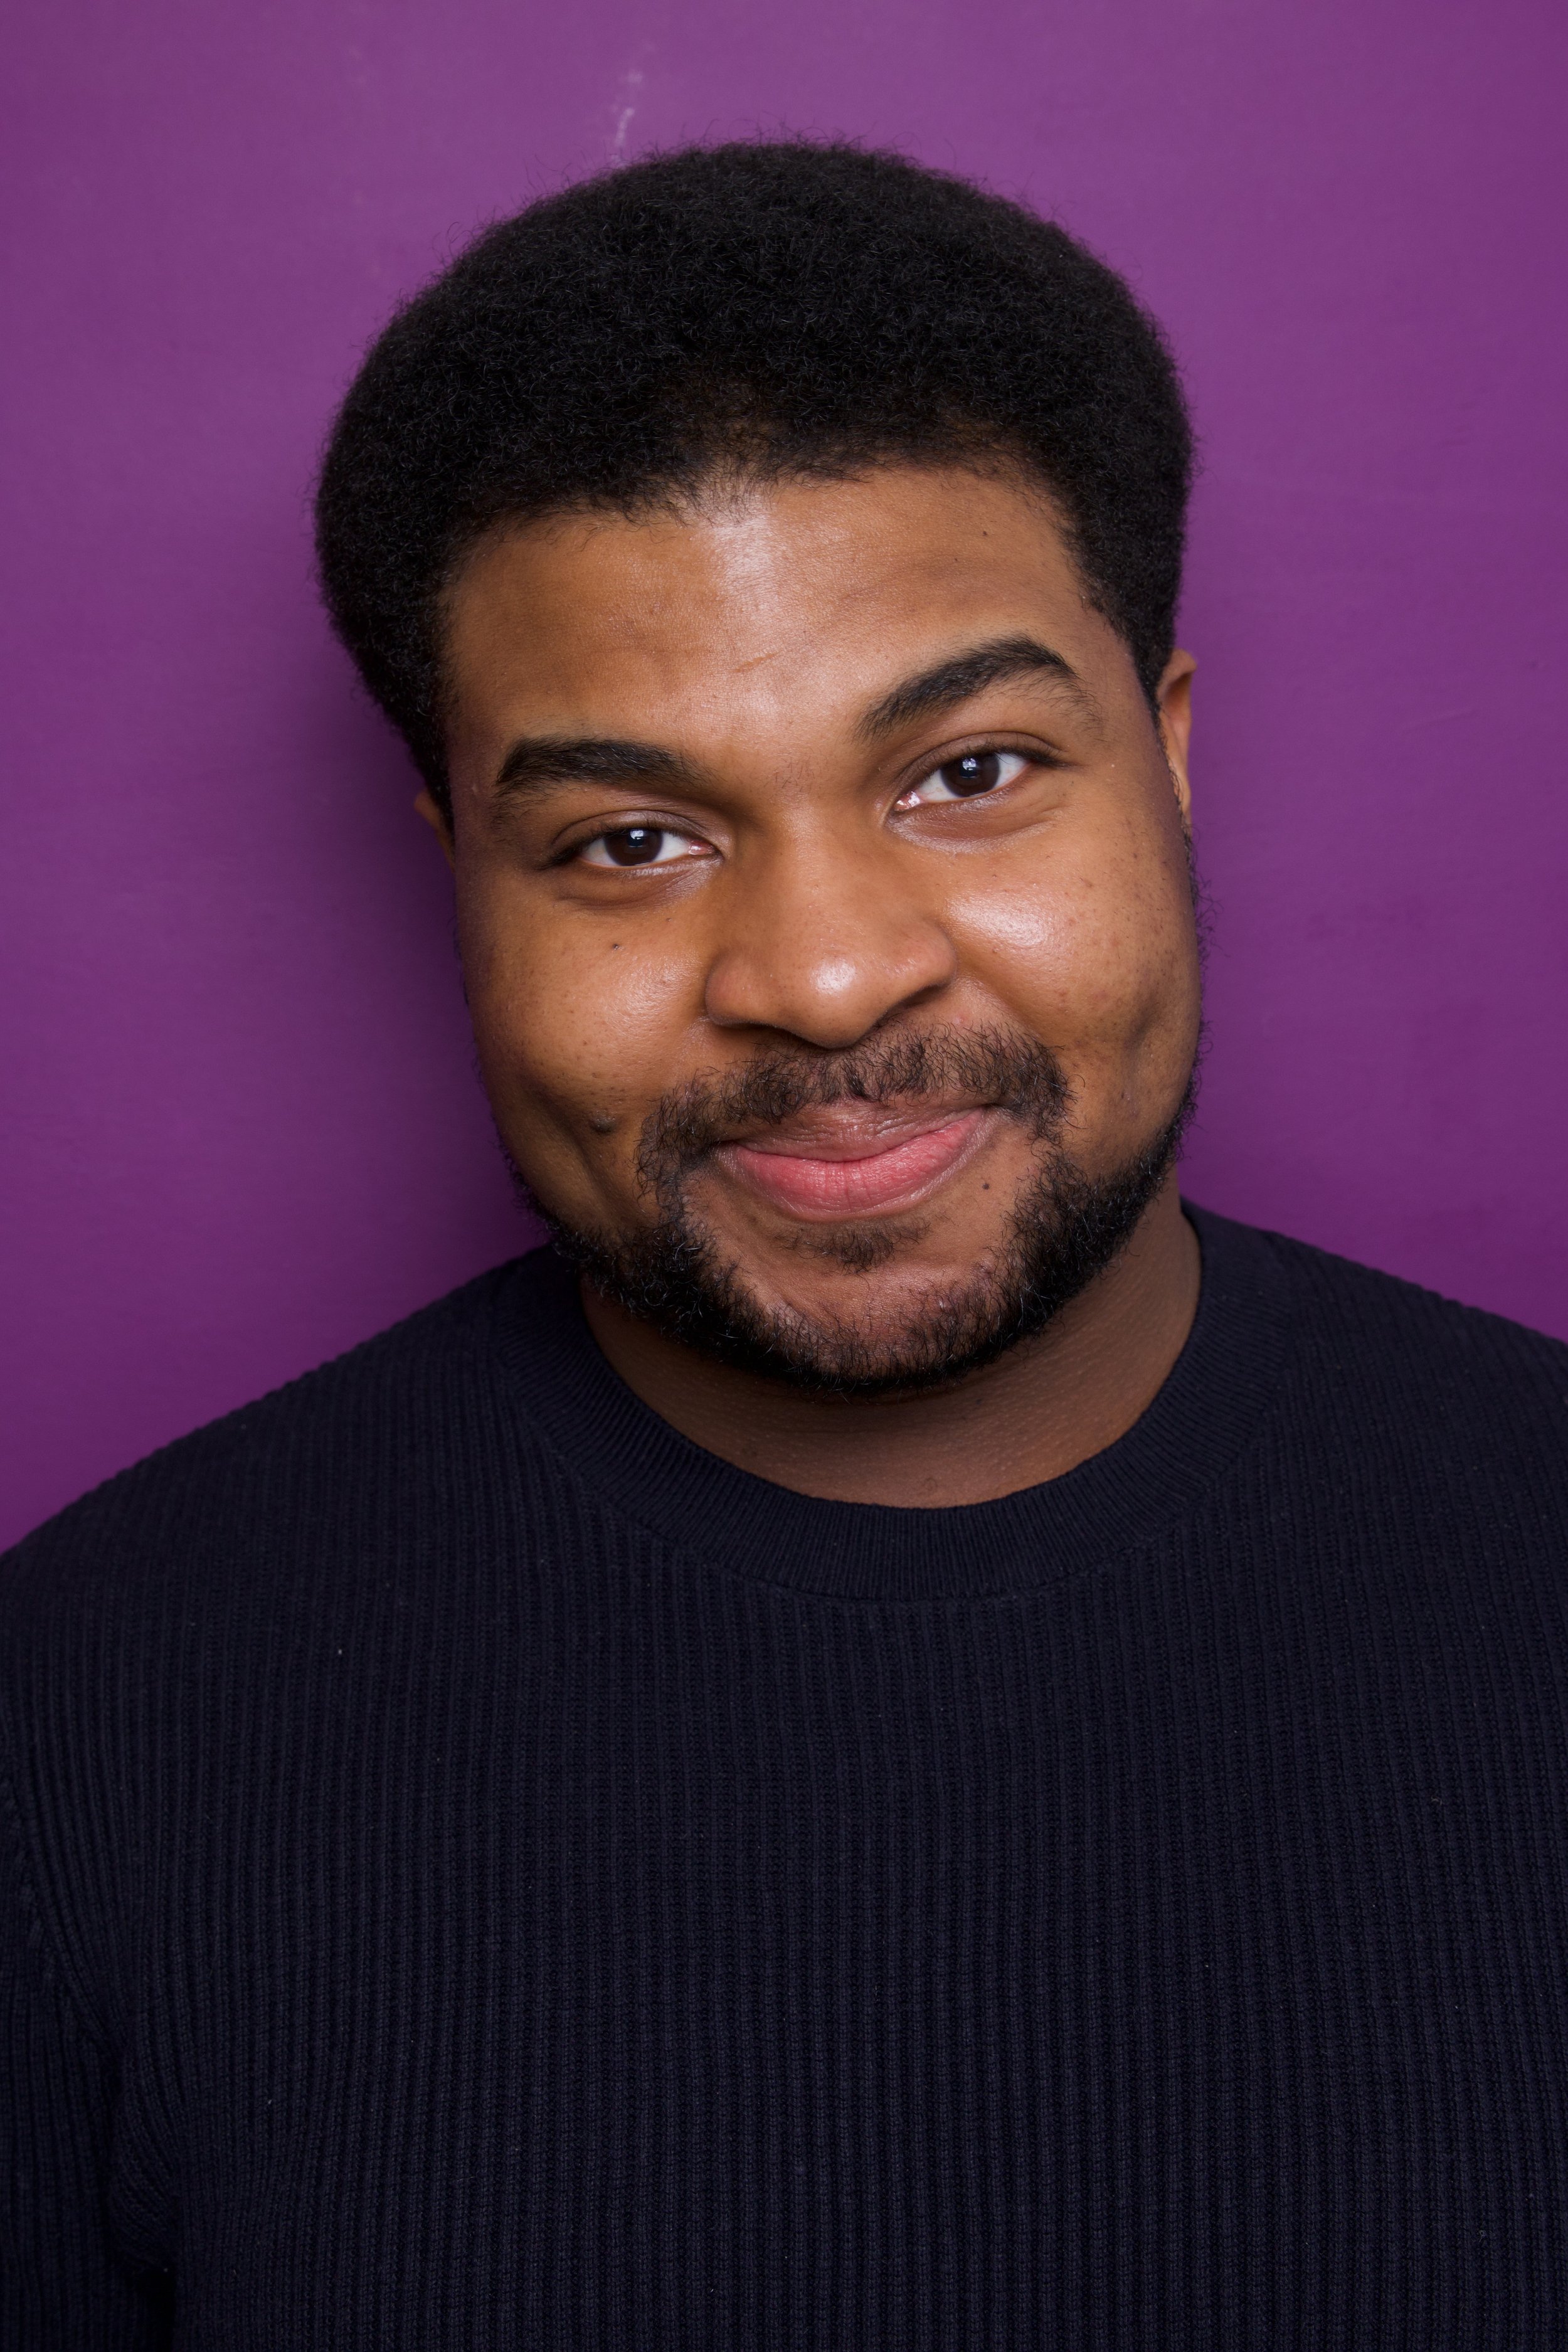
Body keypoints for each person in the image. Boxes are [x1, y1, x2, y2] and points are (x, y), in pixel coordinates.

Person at [3, 141, 1565, 2349]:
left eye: (969, 775)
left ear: (1165, 756)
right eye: (630, 839)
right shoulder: (77, 1731)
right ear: (459, 869)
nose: (825, 981)